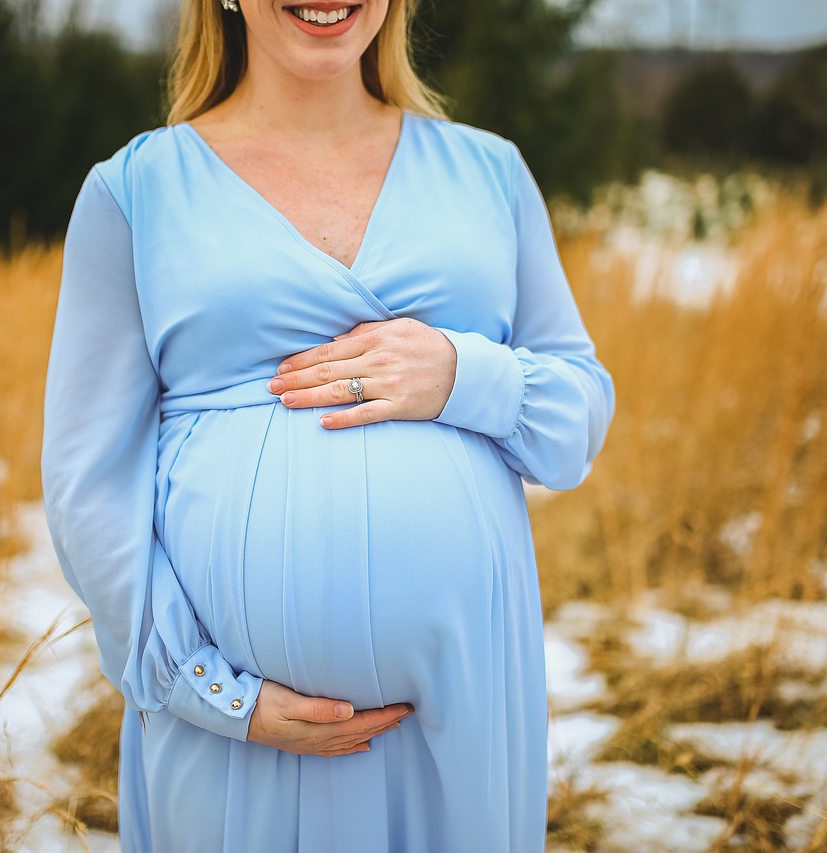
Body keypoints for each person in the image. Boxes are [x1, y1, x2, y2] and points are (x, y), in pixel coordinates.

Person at [40, 0, 615, 849]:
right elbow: (86, 480)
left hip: (457, 713)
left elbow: (575, 419)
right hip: (236, 740)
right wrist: (209, 688)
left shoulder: (490, 173)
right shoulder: (136, 192)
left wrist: (459, 373)